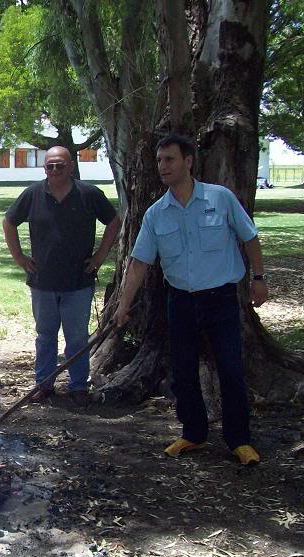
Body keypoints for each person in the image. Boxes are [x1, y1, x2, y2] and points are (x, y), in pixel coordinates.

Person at [113, 133, 268, 466]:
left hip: (221, 299)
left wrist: (258, 278)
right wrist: (123, 306)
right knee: (182, 371)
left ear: (188, 161)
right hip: (180, 301)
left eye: (170, 159)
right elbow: (139, 263)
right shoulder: (156, 214)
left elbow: (249, 236)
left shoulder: (220, 198)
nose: (163, 166)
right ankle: (194, 433)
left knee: (230, 368)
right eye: (159, 160)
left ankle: (239, 440)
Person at [2, 146, 120, 404]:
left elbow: (113, 221)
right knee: (45, 336)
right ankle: (44, 385)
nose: (55, 170)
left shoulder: (89, 194)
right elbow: (8, 222)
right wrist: (20, 258)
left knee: (77, 337)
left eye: (60, 165)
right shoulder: (33, 194)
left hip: (78, 281)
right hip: (42, 282)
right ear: (44, 168)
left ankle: (79, 387)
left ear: (71, 167)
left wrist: (100, 256)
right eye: (50, 166)